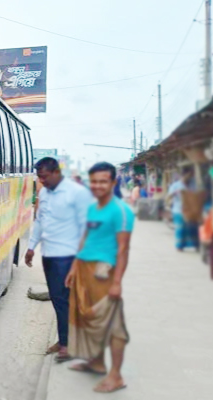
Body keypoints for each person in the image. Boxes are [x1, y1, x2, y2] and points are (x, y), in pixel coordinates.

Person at [65, 162, 134, 393]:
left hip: (105, 273)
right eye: (94, 181)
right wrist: (75, 267)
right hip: (85, 269)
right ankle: (96, 362)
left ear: (113, 183)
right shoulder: (93, 208)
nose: (98, 185)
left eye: (103, 181)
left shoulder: (121, 211)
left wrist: (117, 283)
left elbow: (123, 249)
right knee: (87, 320)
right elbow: (86, 238)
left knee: (114, 325)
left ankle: (116, 376)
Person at [25, 157, 93, 363]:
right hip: (50, 255)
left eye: (44, 177)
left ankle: (70, 344)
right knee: (58, 299)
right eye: (39, 178)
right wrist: (30, 247)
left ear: (56, 172)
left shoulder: (77, 193)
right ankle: (65, 341)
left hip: (69, 255)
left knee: (68, 300)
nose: (42, 181)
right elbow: (39, 221)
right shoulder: (44, 192)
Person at [168, 168, 199, 251]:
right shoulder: (175, 185)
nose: (190, 177)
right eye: (189, 175)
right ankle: (179, 246)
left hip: (190, 210)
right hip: (178, 210)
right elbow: (168, 197)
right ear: (183, 175)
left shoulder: (193, 184)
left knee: (192, 228)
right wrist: (175, 193)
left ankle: (195, 245)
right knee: (180, 228)